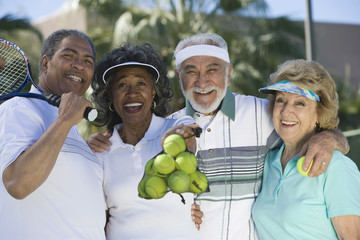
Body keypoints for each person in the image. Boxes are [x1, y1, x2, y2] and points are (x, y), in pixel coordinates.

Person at [88, 33, 349, 239]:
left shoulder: (266, 114)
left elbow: (312, 123)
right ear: (179, 76)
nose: (202, 81)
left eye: (212, 69)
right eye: (191, 71)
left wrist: (326, 138)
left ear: (229, 71)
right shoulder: (171, 127)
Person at [87, 42, 200, 239]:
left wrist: (171, 139)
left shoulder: (179, 123)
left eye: (141, 83)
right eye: (122, 85)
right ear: (111, 96)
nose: (132, 93)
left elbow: (188, 139)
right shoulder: (101, 152)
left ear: (153, 92)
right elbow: (99, 222)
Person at [0, 29, 106, 239]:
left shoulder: (72, 127)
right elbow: (17, 184)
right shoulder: (18, 108)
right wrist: (64, 121)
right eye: (69, 55)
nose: (79, 65)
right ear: (46, 63)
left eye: (88, 61)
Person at [252, 59, 360, 239]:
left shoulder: (336, 166)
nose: (286, 111)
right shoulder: (269, 161)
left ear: (320, 113)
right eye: (281, 100)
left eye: (300, 103)